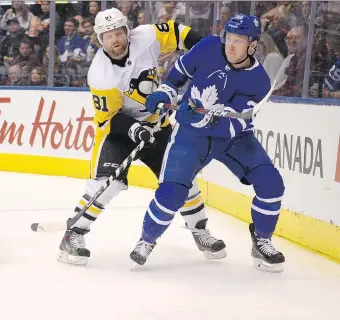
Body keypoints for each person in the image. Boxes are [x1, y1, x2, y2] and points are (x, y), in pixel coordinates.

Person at [58, 8, 227, 266]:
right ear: (99, 40)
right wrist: (135, 130)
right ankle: (73, 235)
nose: (114, 40)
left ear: (127, 31)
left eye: (118, 33)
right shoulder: (100, 74)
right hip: (119, 133)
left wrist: (209, 54)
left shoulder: (147, 37)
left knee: (183, 179)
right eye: (107, 36)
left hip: (156, 125)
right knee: (108, 183)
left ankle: (200, 231)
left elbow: (180, 33)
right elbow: (109, 118)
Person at [132, 14, 286, 273]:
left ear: (252, 46)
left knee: (272, 183)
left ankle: (262, 241)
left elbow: (236, 121)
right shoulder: (208, 47)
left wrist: (205, 117)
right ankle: (146, 240)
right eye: (229, 38)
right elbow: (178, 75)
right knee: (172, 193)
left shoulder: (259, 80)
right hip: (191, 136)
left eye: (238, 40)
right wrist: (164, 93)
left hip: (233, 139)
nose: (230, 45)